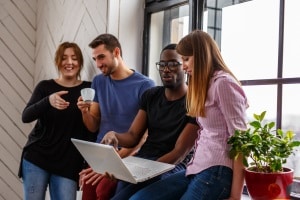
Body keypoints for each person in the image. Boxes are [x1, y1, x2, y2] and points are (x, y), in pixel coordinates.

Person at [129, 30, 248, 200]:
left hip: (217, 171)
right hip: (196, 167)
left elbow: (242, 142)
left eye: (186, 59)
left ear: (201, 56)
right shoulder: (205, 86)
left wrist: (235, 196)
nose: (183, 66)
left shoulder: (224, 84)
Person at [101, 43, 199, 200]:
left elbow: (179, 153)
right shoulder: (151, 95)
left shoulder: (194, 103)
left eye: (173, 64)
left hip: (171, 166)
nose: (166, 69)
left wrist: (146, 171)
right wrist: (115, 135)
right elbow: (133, 136)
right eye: (162, 64)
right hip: (144, 160)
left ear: (185, 66)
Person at [77, 33, 155, 200]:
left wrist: (111, 161)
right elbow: (93, 125)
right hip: (99, 154)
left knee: (103, 191)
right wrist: (84, 111)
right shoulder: (99, 81)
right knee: (88, 193)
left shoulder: (145, 85)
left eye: (101, 57)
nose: (98, 64)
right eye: (95, 59)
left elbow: (143, 136)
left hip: (127, 157)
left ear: (117, 52)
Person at [19, 42, 96, 200]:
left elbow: (92, 129)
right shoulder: (45, 87)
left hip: (68, 162)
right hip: (37, 157)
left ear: (80, 62)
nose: (69, 62)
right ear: (58, 62)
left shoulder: (89, 89)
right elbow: (26, 116)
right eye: (64, 58)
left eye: (74, 58)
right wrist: (48, 101)